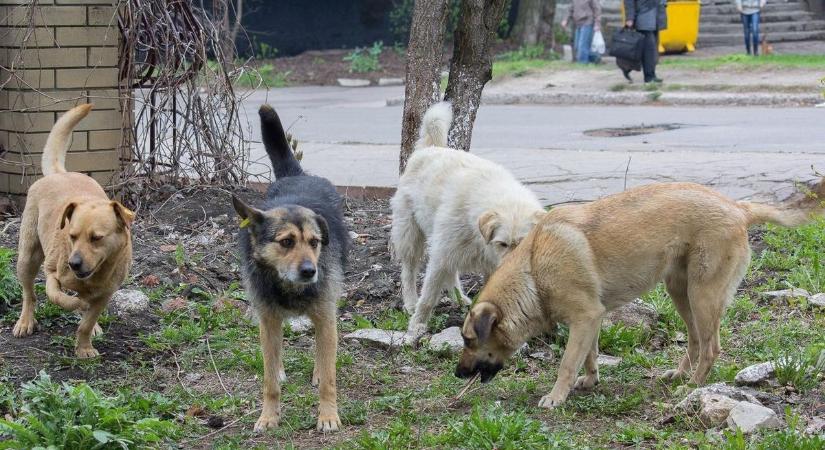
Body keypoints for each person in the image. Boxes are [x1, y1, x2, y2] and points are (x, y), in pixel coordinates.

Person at [623, 0, 667, 83]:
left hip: (655, 18)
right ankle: (649, 77)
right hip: (643, 17)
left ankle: (629, 68)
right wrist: (629, 17)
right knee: (649, 50)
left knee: (651, 50)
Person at [561, 0, 603, 64]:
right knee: (577, 46)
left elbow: (597, 9)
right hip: (578, 23)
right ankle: (596, 57)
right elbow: (570, 9)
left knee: (582, 46)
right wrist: (565, 19)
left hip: (588, 22)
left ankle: (582, 63)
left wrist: (597, 23)